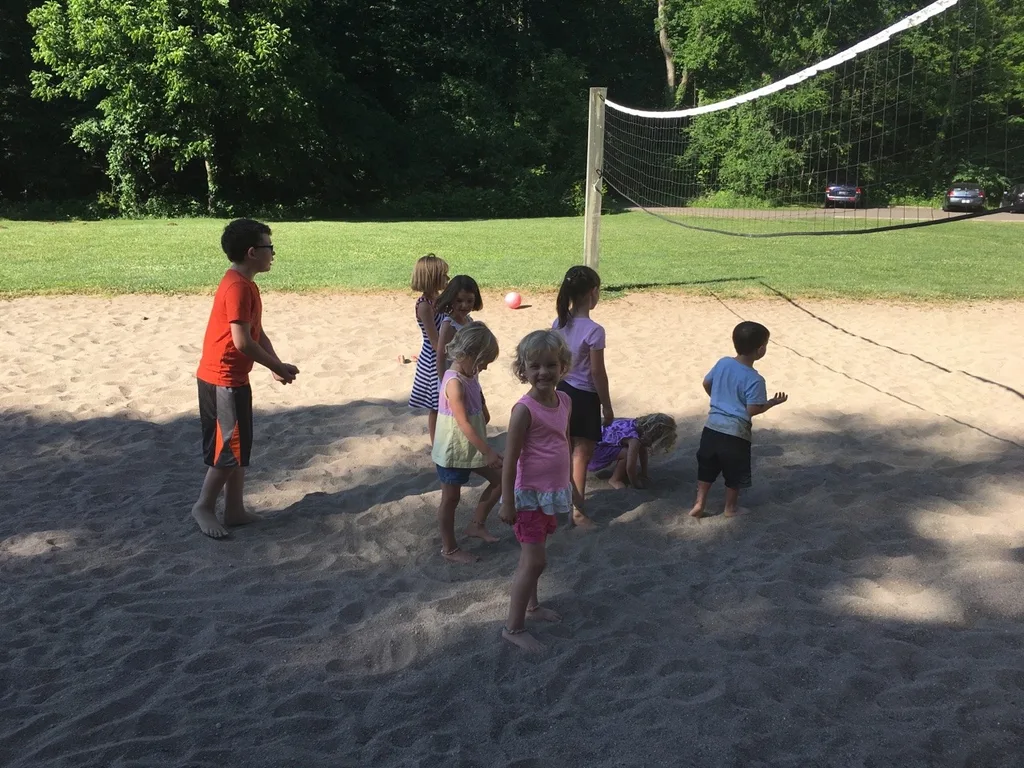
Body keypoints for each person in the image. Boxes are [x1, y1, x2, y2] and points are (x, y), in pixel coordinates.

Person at [191, 219, 300, 539]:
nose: (273, 253)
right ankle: (204, 506)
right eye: (269, 247)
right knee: (228, 449)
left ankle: (235, 509)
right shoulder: (237, 287)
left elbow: (256, 331)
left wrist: (275, 363)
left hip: (234, 378)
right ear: (253, 252)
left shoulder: (245, 283)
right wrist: (276, 368)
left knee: (238, 448)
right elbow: (242, 342)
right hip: (221, 379)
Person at [499, 330, 581, 653]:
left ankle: (532, 606)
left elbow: (566, 442)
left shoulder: (566, 401)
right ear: (523, 370)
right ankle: (513, 627)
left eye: (551, 365)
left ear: (563, 366)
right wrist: (507, 501)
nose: (543, 372)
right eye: (535, 366)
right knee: (534, 561)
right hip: (529, 495)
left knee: (536, 555)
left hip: (552, 491)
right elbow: (511, 459)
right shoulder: (524, 410)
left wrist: (572, 484)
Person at [689, 321, 788, 518]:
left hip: (711, 428)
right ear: (761, 350)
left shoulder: (723, 362)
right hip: (735, 434)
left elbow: (707, 382)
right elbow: (752, 409)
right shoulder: (755, 379)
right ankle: (730, 508)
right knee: (734, 473)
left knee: (706, 468)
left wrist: (718, 398)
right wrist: (771, 403)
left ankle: (699, 504)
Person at [431, 321, 503, 563]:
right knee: (450, 499)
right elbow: (463, 424)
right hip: (453, 450)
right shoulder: (454, 382)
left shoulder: (469, 374)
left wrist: (483, 409)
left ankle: (476, 524)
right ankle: (449, 548)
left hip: (471, 447)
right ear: (469, 354)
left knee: (501, 479)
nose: (484, 367)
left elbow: (477, 406)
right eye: (483, 362)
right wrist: (489, 451)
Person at [552, 265, 612, 530]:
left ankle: (560, 502)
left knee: (565, 448)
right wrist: (607, 406)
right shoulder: (594, 330)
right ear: (593, 292)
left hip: (562, 390)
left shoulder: (559, 323)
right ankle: (577, 512)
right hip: (585, 396)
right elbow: (598, 372)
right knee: (581, 453)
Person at [408, 254, 450, 444]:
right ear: (433, 278)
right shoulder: (425, 305)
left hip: (444, 352)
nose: (447, 279)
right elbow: (434, 341)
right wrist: (453, 348)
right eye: (444, 275)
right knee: (435, 405)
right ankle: (435, 443)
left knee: (446, 400)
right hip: (433, 358)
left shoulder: (439, 298)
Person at [588, 413, 677, 489]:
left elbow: (643, 451)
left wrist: (644, 473)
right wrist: (635, 483)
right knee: (626, 453)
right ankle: (615, 479)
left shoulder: (635, 425)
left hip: (594, 442)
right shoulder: (634, 440)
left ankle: (620, 476)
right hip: (594, 451)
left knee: (630, 450)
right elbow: (630, 467)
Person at [435, 275, 483, 381]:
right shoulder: (449, 325)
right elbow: (440, 359)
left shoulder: (469, 321)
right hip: (453, 379)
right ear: (451, 299)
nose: (464, 305)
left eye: (470, 301)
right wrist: (445, 384)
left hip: (468, 376)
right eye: (459, 300)